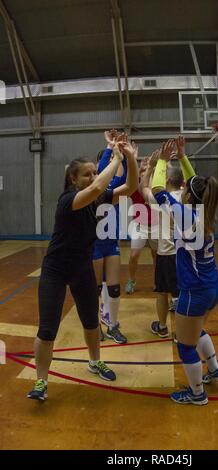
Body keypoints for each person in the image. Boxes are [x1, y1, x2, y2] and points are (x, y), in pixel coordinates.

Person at [27, 136, 138, 401]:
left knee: (90, 322)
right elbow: (101, 184)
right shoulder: (69, 200)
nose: (93, 177)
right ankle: (41, 381)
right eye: (86, 174)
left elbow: (131, 186)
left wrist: (131, 158)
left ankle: (94, 361)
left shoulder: (97, 200)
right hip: (55, 270)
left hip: (81, 269)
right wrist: (116, 158)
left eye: (93, 173)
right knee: (47, 329)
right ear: (74, 180)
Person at [151, 136, 218, 405]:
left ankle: (196, 394)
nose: (182, 189)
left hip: (195, 291)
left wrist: (162, 160)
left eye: (184, 189)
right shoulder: (205, 209)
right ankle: (215, 369)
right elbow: (195, 185)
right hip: (212, 287)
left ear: (187, 195)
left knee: (185, 344)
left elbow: (157, 188)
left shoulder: (185, 214)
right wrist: (182, 157)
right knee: (197, 331)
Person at [93, 130, 133, 344]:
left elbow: (128, 178)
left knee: (114, 288)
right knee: (95, 289)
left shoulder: (115, 187)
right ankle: (95, 325)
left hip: (111, 243)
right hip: (94, 244)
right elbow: (101, 175)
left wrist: (126, 156)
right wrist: (110, 149)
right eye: (107, 161)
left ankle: (113, 326)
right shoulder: (96, 187)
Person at [139, 150, 183, 338]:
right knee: (181, 294)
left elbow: (143, 188)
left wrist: (151, 167)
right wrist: (176, 159)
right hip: (185, 254)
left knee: (162, 292)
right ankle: (182, 332)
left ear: (165, 182)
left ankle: (163, 327)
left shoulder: (160, 199)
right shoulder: (189, 197)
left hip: (166, 254)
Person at [125, 158, 159, 295]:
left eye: (147, 171)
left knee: (156, 255)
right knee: (134, 255)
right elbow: (130, 181)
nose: (145, 174)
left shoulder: (157, 190)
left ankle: (158, 281)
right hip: (140, 225)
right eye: (143, 172)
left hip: (156, 225)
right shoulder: (135, 188)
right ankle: (131, 280)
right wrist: (139, 169)